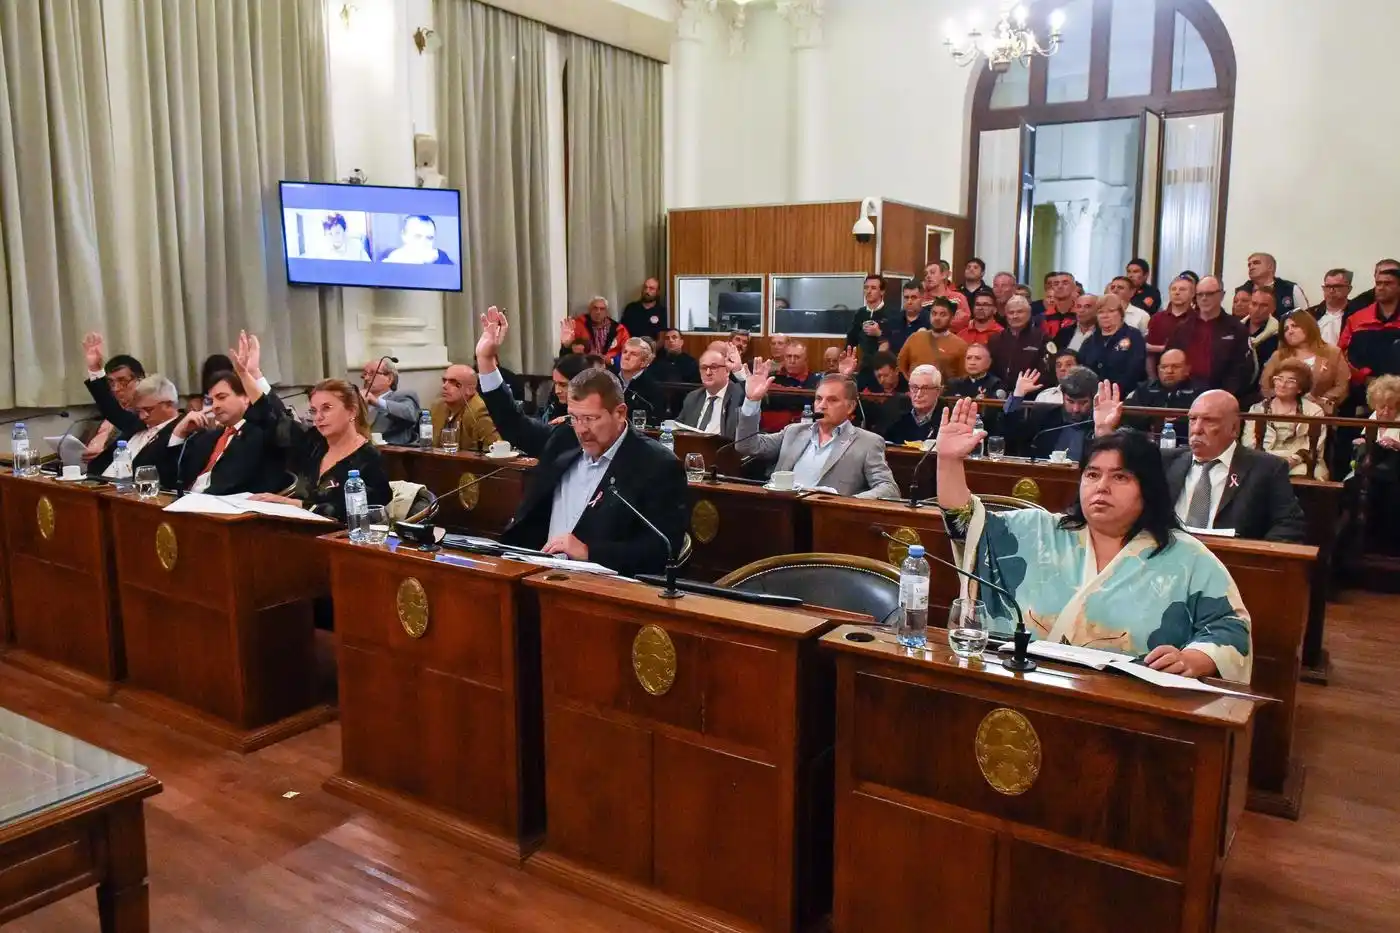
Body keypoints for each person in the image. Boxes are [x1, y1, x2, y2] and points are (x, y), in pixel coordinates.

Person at [935, 397, 1252, 682]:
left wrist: (1193, 659)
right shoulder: (1038, 531)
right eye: (1092, 474)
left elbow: (1229, 626)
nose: (1102, 486)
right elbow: (967, 524)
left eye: (1120, 477)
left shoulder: (1185, 557)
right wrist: (948, 461)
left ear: (1148, 487)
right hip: (1020, 688)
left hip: (1127, 712)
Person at [475, 306, 687, 575]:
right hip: (537, 574)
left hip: (601, 591)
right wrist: (486, 360)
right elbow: (514, 425)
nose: (581, 429)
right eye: (575, 417)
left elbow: (661, 549)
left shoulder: (657, 465)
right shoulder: (566, 437)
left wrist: (589, 552)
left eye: (591, 419)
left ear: (620, 413)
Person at [1096, 386, 1306, 541]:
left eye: (1209, 420)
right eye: (1193, 419)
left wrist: (1255, 560)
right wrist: (1105, 431)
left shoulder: (1266, 468)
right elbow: (1121, 457)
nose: (1196, 429)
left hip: (1232, 567)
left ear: (1234, 428)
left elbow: (1289, 525)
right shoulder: (1166, 461)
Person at [229, 333, 391, 522]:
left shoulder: (369, 458)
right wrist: (250, 375)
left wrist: (291, 503)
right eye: (314, 410)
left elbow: (353, 511)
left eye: (327, 408)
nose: (319, 417)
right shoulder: (314, 441)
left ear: (351, 411)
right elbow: (274, 418)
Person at [736, 361, 899, 498]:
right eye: (819, 399)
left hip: (826, 520)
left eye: (832, 400)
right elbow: (746, 445)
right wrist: (752, 401)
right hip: (781, 512)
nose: (822, 405)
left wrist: (845, 501)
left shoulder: (867, 442)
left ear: (850, 407)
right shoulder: (794, 432)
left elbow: (889, 489)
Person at [164, 370, 289, 495]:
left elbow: (279, 420)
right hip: (187, 503)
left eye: (221, 397)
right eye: (211, 401)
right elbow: (171, 478)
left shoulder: (260, 433)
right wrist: (178, 434)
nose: (215, 406)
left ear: (246, 397)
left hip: (227, 509)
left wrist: (255, 376)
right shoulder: (209, 436)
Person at [81, 333, 181, 485]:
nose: (142, 415)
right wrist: (95, 369)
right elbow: (113, 411)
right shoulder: (137, 424)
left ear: (168, 404)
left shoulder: (178, 430)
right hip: (95, 483)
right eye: (140, 410)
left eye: (148, 409)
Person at [1165, 276, 1254, 396]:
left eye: (1210, 294)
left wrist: (1226, 395)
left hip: (1222, 396)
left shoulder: (1237, 329)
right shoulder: (1182, 328)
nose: (1204, 298)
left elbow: (1242, 369)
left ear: (1222, 295)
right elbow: (1169, 361)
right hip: (1183, 395)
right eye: (1200, 294)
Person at [1248, 359, 1328, 478]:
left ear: (1300, 388)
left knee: (1315, 474)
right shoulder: (1257, 409)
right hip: (1264, 460)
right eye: (1278, 379)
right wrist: (1270, 461)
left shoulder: (1314, 411)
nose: (1282, 384)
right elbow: (1249, 443)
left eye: (1290, 381)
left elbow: (1315, 446)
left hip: (1301, 462)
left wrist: (1292, 460)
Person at [1259, 311, 1351, 414]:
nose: (1290, 331)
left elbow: (1342, 386)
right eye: (1286, 329)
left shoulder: (1333, 353)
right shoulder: (1278, 356)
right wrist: (1284, 400)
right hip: (1282, 413)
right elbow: (1265, 385)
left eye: (1295, 326)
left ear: (1308, 326)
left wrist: (1319, 401)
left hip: (1322, 414)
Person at [1003, 365, 1099, 460]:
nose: (1076, 409)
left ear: (1093, 398)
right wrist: (1017, 396)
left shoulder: (1099, 424)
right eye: (1070, 401)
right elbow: (1011, 434)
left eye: (1083, 403)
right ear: (1062, 395)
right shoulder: (1045, 415)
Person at [81, 348, 147, 466]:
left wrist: (106, 455)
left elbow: (116, 414)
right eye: (111, 382)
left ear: (140, 380)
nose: (115, 388)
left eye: (122, 381)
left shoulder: (144, 415)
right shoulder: (96, 415)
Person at [1339, 266, 1400, 386]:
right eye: (1378, 283)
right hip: (1364, 388)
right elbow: (1341, 353)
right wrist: (1364, 376)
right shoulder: (1357, 319)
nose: (1381, 288)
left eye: (1388, 284)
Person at [1078, 294, 1147, 396]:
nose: (1105, 316)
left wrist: (1112, 393)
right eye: (1101, 312)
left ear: (1121, 314)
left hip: (1125, 396)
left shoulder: (1133, 336)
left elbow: (1135, 370)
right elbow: (1081, 370)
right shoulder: (1089, 341)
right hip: (1093, 396)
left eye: (1111, 311)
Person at [1124, 349, 1199, 438]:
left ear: (1187, 369)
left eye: (1175, 366)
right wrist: (1157, 422)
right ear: (1158, 370)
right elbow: (1129, 418)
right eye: (1164, 367)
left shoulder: (1199, 393)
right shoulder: (1143, 390)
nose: (1169, 371)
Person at [676, 348, 745, 438]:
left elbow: (755, 398)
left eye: (713, 367)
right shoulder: (693, 397)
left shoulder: (739, 395)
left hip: (724, 450)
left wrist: (738, 371)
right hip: (693, 449)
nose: (708, 373)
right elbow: (678, 427)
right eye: (704, 368)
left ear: (727, 371)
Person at [430, 363, 500, 450]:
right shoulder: (438, 407)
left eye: (453, 382)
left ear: (470, 390)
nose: (444, 386)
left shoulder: (478, 411)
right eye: (444, 381)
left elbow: (495, 449)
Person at [988, 296, 1051, 391]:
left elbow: (1047, 371)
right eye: (1011, 312)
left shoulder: (1042, 338)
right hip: (1000, 396)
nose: (1015, 316)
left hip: (1031, 396)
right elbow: (989, 370)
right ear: (1006, 315)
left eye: (1020, 312)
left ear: (1029, 313)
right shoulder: (995, 339)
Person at [898, 298, 968, 383]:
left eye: (943, 314)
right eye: (934, 314)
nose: (937, 318)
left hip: (944, 394)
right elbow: (900, 366)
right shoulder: (915, 338)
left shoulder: (960, 345)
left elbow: (963, 378)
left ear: (951, 317)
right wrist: (912, 385)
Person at [359, 357, 421, 445]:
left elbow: (409, 413)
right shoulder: (358, 399)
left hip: (391, 452)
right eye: (364, 374)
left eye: (372, 374)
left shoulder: (402, 395)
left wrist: (376, 402)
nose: (366, 378)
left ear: (389, 378)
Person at [1146, 276, 1197, 381]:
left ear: (1193, 294)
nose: (1177, 292)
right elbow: (1149, 352)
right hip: (1160, 379)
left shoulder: (1198, 320)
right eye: (1173, 289)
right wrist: (1153, 380)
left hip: (1190, 380)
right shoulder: (1157, 319)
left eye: (1182, 289)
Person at [882, 365, 947, 445]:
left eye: (925, 388)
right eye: (914, 388)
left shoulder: (949, 418)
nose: (919, 394)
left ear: (938, 391)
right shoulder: (894, 412)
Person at [615, 337, 667, 425]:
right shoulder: (608, 380)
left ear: (644, 362)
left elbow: (654, 422)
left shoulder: (653, 389)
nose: (626, 357)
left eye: (633, 354)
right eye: (625, 352)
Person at [1236, 252, 1304, 319]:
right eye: (1249, 265)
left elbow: (1306, 319)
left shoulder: (1290, 289)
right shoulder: (1242, 291)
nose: (1251, 267)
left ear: (1270, 267)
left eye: (1256, 263)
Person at [564, 297, 630, 365]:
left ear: (606, 312)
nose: (598, 312)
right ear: (589, 310)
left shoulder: (620, 330)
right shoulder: (578, 325)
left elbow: (628, 353)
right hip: (584, 366)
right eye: (595, 308)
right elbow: (565, 353)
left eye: (602, 309)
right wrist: (569, 346)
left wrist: (612, 361)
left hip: (610, 368)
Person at [847, 274, 892, 362]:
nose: (868, 291)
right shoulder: (860, 313)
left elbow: (896, 341)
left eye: (873, 288)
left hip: (885, 364)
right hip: (865, 364)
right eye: (866, 287)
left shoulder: (892, 313)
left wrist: (879, 333)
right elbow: (851, 340)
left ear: (882, 291)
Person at [539, 353, 593, 425]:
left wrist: (571, 419)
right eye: (555, 383)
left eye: (563, 385)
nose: (557, 391)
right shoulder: (554, 402)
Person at [382, 215, 454, 264]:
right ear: (403, 236)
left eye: (429, 238)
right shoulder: (388, 257)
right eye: (417, 237)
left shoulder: (441, 258)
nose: (423, 242)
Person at [1245, 287, 1281, 382]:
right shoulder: (1236, 329)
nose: (1257, 309)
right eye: (1254, 304)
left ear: (1273, 309)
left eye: (1263, 305)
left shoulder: (1278, 335)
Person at [921, 261, 970, 330]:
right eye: (926, 274)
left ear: (943, 275)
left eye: (932, 272)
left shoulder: (958, 297)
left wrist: (935, 323)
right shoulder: (921, 300)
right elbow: (919, 322)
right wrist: (950, 320)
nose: (928, 276)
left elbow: (964, 322)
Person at [885, 281, 932, 355]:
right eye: (906, 297)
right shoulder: (893, 319)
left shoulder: (930, 321)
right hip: (895, 364)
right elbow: (885, 344)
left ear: (922, 298)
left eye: (914, 298)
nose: (909, 301)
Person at [1312, 268, 1354, 347]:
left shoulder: (1357, 314)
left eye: (1336, 286)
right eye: (1327, 286)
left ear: (1349, 289)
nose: (1331, 291)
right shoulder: (1310, 315)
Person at [619, 277, 667, 343]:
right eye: (645, 287)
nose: (647, 291)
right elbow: (622, 333)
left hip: (652, 351)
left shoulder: (662, 311)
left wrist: (649, 352)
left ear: (658, 292)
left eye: (651, 288)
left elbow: (661, 340)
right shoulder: (631, 308)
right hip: (632, 349)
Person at [1033, 271, 1077, 336]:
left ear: (1074, 286)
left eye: (1065, 283)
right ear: (1052, 288)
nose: (1060, 286)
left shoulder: (1082, 314)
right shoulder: (1040, 319)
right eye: (1056, 284)